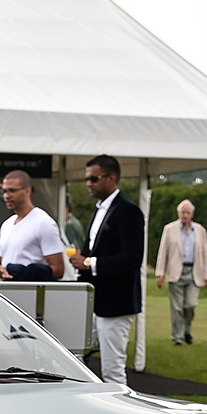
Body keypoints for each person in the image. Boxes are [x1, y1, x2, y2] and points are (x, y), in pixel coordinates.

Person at [71, 154, 144, 384]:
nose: (88, 184)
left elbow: (133, 259)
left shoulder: (128, 211)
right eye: (87, 180)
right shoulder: (100, 210)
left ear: (111, 178)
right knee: (72, 356)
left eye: (93, 179)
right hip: (94, 302)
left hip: (116, 303)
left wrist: (90, 263)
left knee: (112, 370)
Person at [155, 199, 207, 345]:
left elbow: (205, 253)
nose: (185, 215)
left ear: (191, 214)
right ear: (178, 213)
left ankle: (186, 329)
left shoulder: (200, 230)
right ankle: (177, 338)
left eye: (188, 212)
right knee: (177, 308)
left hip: (194, 272)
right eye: (182, 212)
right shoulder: (169, 229)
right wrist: (160, 273)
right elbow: (163, 252)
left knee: (190, 305)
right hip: (175, 273)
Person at [0, 169, 64, 282]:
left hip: (30, 293)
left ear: (27, 191)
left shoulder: (43, 223)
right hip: (6, 291)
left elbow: (58, 270)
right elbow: (1, 262)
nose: (6, 196)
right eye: (4, 191)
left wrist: (22, 272)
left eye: (12, 191)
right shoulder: (6, 224)